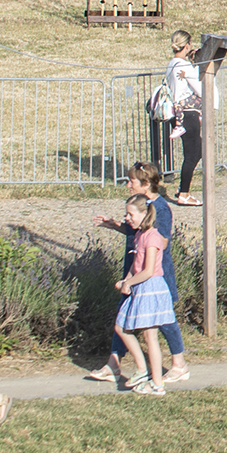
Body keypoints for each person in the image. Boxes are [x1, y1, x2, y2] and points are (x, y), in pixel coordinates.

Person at [86, 163, 189, 388]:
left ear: (145, 184)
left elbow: (161, 241)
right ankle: (114, 363)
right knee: (123, 316)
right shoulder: (138, 206)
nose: (128, 185)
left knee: (164, 319)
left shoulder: (160, 208)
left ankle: (178, 364)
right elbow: (133, 229)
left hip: (154, 275)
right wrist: (114, 225)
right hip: (134, 271)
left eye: (132, 181)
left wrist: (145, 237)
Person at [110, 196, 174, 395]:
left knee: (150, 336)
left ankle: (157, 384)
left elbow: (148, 271)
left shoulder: (152, 237)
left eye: (131, 214)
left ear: (144, 214)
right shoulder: (139, 236)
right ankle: (142, 370)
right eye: (126, 214)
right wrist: (126, 279)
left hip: (151, 287)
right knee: (121, 326)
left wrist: (129, 282)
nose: (127, 218)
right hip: (139, 287)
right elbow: (135, 265)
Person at [161, 32, 210, 206]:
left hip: (179, 113)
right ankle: (184, 193)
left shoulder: (171, 64)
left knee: (197, 150)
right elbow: (200, 88)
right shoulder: (184, 66)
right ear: (187, 45)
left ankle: (183, 187)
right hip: (189, 113)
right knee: (193, 153)